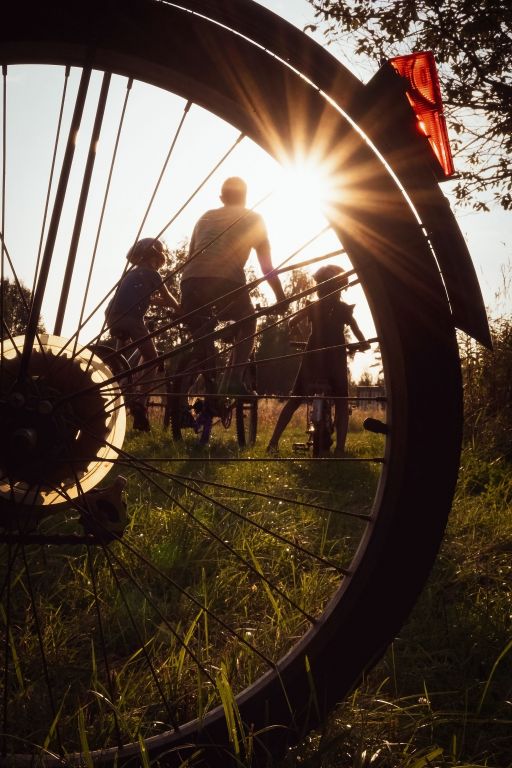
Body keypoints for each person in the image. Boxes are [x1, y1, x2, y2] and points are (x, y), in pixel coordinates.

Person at [180, 176, 286, 395]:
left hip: (190, 282)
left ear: (222, 197)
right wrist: (280, 297)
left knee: (203, 336)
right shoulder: (253, 218)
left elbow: (191, 258)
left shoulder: (204, 218)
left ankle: (202, 388)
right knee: (248, 320)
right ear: (245, 197)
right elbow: (267, 267)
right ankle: (235, 380)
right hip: (226, 282)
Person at [266, 264, 370, 456]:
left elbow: (291, 322)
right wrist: (362, 345)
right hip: (335, 357)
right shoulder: (343, 309)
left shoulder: (314, 306)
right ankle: (339, 449)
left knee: (295, 399)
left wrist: (295, 331)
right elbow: (358, 333)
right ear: (341, 287)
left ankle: (273, 442)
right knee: (341, 400)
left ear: (319, 286)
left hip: (312, 356)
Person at [105, 237, 180, 431]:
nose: (158, 265)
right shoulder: (151, 274)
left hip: (112, 317)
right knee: (152, 358)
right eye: (157, 261)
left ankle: (120, 386)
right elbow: (168, 297)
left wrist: (159, 303)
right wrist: (181, 309)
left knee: (122, 363)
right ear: (152, 257)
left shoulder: (132, 274)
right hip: (131, 319)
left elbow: (151, 299)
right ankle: (140, 401)